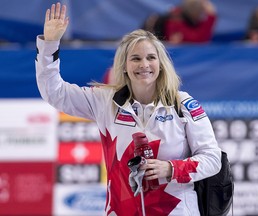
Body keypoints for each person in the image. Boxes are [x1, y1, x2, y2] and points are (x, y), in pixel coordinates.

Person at [35, 2, 221, 215]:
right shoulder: (105, 101)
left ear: (161, 64)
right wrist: (50, 43)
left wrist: (171, 168)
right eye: (136, 58)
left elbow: (212, 158)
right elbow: (53, 91)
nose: (144, 65)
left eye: (151, 58)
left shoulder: (183, 104)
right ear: (124, 65)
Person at [142, 0, 217, 44]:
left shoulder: (182, 17)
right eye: (202, 11)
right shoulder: (175, 21)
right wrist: (211, 17)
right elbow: (198, 40)